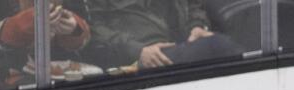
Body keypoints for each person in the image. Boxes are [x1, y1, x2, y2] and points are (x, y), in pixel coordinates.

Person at [66, 0, 241, 70]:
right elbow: (87, 30)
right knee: (218, 46)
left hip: (184, 45)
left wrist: (197, 25)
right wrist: (138, 51)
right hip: (138, 60)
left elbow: (193, 4)